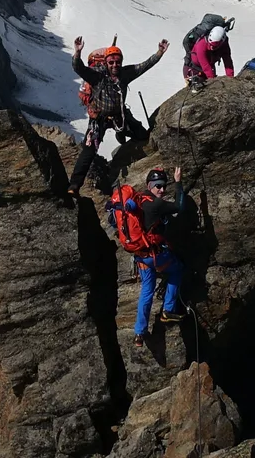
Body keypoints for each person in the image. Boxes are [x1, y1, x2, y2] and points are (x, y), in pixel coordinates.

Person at [69, 35, 167, 192]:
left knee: (142, 135)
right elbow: (78, 68)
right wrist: (77, 53)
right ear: (106, 62)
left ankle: (120, 134)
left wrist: (159, 53)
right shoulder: (97, 75)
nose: (115, 65)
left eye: (118, 62)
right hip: (99, 119)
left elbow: (144, 66)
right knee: (89, 151)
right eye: (111, 62)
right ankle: (74, 184)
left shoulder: (125, 74)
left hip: (120, 116)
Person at [108, 166, 190, 349]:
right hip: (156, 256)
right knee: (177, 270)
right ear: (150, 185)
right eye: (158, 186)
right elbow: (179, 206)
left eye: (164, 186)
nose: (162, 190)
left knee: (147, 292)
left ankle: (140, 332)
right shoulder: (157, 204)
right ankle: (168, 310)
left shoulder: (139, 199)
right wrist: (178, 182)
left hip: (141, 257)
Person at [182, 14, 236, 90]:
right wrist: (212, 81)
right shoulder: (201, 44)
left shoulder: (224, 43)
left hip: (208, 67)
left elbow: (227, 61)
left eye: (214, 46)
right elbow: (205, 66)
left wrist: (230, 78)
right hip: (193, 69)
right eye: (211, 45)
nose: (212, 48)